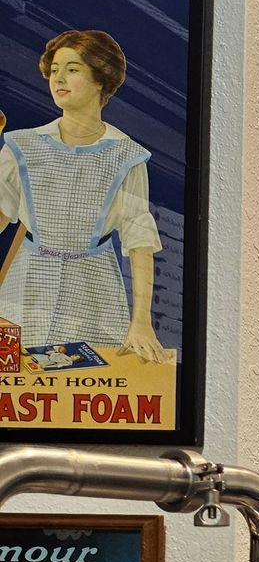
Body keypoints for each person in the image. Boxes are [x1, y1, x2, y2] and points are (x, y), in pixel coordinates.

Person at [0, 29, 167, 361]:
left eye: (72, 69)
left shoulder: (127, 156)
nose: (58, 77)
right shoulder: (21, 146)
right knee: (17, 390)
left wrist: (142, 322)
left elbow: (139, 242)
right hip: (24, 289)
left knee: (84, 390)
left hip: (95, 293)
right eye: (55, 69)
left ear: (100, 80)